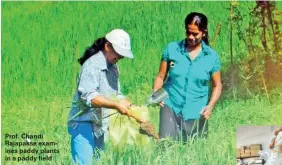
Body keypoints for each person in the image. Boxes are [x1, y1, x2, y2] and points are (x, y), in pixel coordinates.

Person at [67, 29, 134, 165]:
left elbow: (116, 93)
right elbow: (90, 97)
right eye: (119, 53)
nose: (121, 58)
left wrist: (123, 100)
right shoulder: (91, 65)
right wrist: (115, 105)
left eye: (123, 55)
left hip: (100, 125)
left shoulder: (114, 68)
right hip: (83, 123)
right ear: (107, 46)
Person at [153, 12, 222, 142]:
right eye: (188, 32)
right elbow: (160, 76)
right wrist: (157, 93)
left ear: (204, 32)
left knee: (194, 152)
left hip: (196, 112)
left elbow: (217, 85)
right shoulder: (172, 49)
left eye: (195, 34)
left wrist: (211, 105)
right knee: (165, 146)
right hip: (170, 106)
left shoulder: (211, 57)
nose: (190, 37)